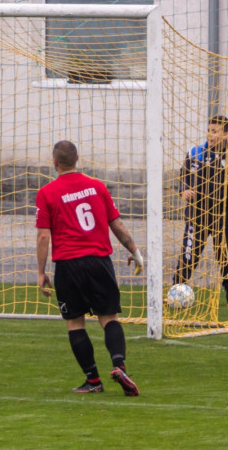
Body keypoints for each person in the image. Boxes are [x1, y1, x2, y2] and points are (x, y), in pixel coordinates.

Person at [36, 140, 144, 396]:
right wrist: (135, 252)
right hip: (99, 262)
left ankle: (93, 380)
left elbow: (43, 236)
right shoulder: (97, 187)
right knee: (109, 318)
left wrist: (41, 272)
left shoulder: (47, 192)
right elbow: (116, 224)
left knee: (75, 323)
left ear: (55, 163)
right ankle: (119, 366)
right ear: (77, 160)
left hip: (68, 266)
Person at [173, 115, 228, 307]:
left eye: (215, 131)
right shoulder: (195, 153)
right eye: (209, 131)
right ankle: (177, 290)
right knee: (188, 253)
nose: (210, 135)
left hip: (224, 216)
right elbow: (183, 177)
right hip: (198, 214)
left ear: (226, 133)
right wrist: (184, 190)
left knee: (227, 256)